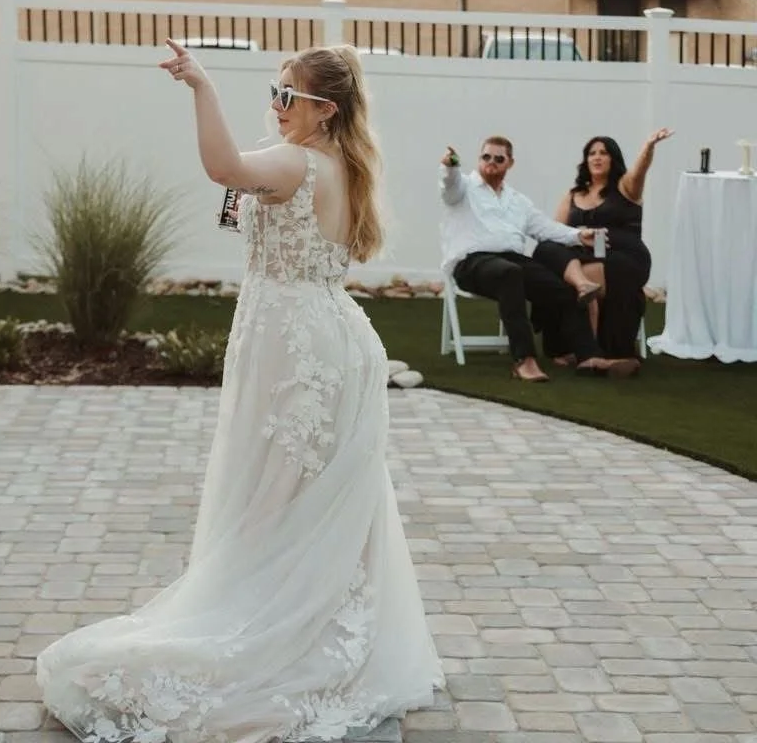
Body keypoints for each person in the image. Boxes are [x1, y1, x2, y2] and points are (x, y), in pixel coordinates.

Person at [37, 40, 443, 743]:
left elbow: (222, 169)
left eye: (290, 95)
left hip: (293, 347)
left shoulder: (293, 162)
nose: (277, 104)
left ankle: (270, 632)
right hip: (323, 337)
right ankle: (313, 623)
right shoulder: (338, 162)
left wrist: (201, 86)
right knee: (296, 497)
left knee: (275, 494)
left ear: (326, 110)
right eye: (274, 90)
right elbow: (244, 189)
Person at [440, 137, 640, 382]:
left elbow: (546, 228)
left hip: (511, 260)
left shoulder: (518, 201)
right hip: (471, 263)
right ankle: (524, 360)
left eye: (499, 158)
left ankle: (589, 356)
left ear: (510, 163)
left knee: (563, 288)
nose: (491, 162)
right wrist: (450, 167)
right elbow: (449, 188)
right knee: (509, 273)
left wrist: (579, 235)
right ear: (479, 159)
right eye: (486, 157)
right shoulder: (464, 188)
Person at [535, 130, 671, 363]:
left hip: (623, 258)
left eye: (604, 153)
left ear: (613, 159)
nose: (597, 157)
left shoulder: (625, 187)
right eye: (592, 153)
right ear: (586, 160)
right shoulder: (573, 195)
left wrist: (648, 147)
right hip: (583, 256)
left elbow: (640, 171)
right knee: (546, 253)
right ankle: (586, 350)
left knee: (575, 281)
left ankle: (586, 351)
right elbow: (555, 231)